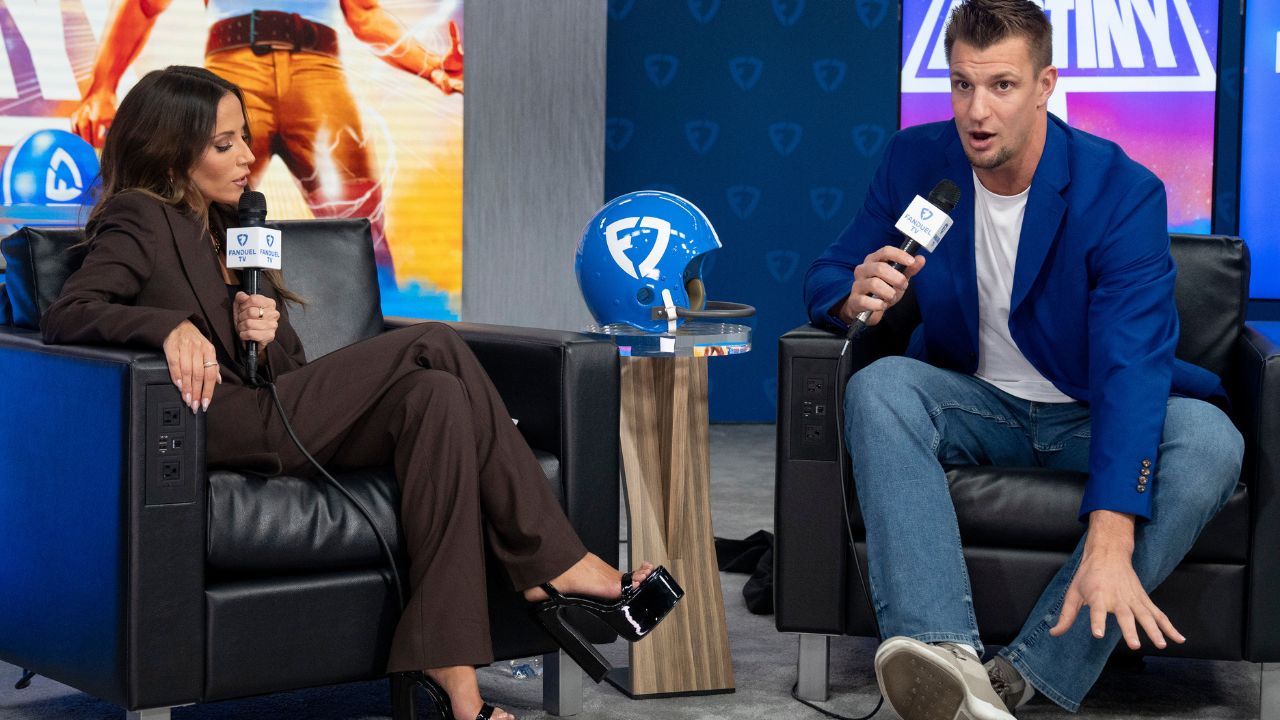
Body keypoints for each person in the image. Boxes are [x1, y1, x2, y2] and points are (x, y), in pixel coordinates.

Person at [42, 66, 677, 720]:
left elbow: (287, 365)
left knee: (439, 401)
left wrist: (259, 318)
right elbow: (68, 312)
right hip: (225, 424)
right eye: (224, 143)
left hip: (273, 408)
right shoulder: (138, 218)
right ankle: (559, 565)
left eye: (244, 138)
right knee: (433, 342)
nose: (246, 156)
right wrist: (166, 326)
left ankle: (452, 682)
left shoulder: (236, 230)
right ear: (172, 151)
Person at [803, 1, 1242, 717]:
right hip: (976, 401)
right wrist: (852, 295)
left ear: (1044, 85)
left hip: (1088, 410)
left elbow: (1134, 365)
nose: (977, 111)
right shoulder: (919, 161)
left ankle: (1018, 677)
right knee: (881, 387)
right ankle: (940, 654)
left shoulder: (1120, 191)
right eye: (961, 85)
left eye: (1001, 86)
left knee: (1210, 440)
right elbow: (829, 271)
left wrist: (1112, 531)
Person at [70, 0, 465, 287]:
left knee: (359, 222)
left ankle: (378, 342)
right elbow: (144, 6)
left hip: (318, 67)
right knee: (197, 211)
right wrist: (101, 87)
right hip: (235, 63)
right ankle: (201, 326)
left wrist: (431, 65)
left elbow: (363, 13)